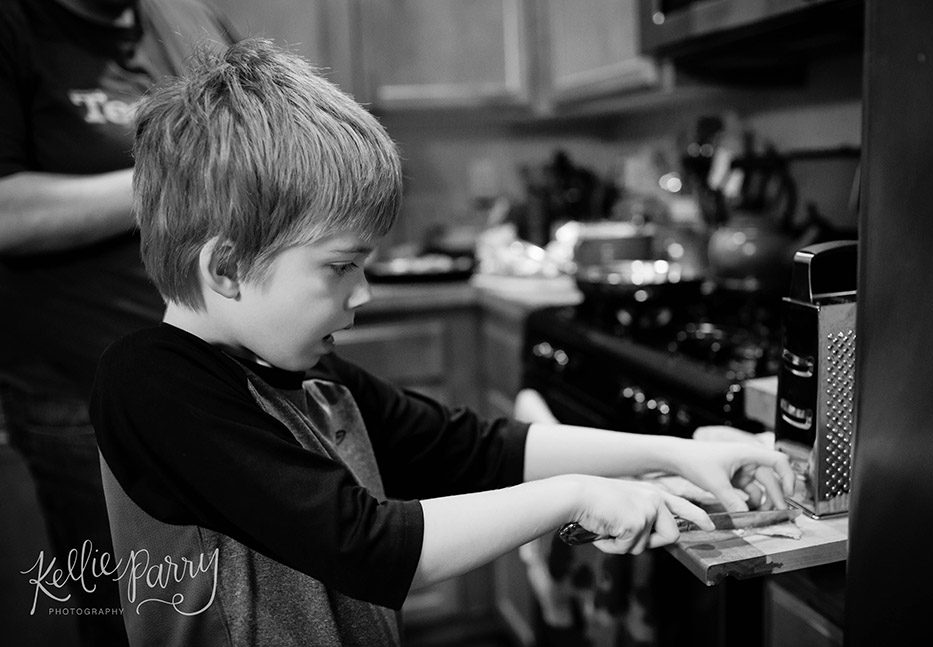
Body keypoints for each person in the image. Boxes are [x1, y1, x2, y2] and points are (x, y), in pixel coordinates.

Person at [88, 38, 795, 647]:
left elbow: (481, 447)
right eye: (340, 266)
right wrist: (576, 497)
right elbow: (365, 544)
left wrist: (678, 453)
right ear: (226, 266)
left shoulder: (317, 382)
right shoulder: (151, 383)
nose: (362, 293)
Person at [0, 1, 235, 644]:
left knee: (238, 613)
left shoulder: (190, 20)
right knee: (134, 623)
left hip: (216, 384)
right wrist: (168, 182)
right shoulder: (18, 28)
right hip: (80, 401)